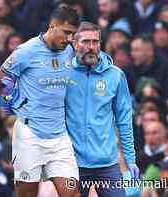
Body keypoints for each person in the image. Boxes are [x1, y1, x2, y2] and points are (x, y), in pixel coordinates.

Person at [0, 6, 80, 197]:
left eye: (73, 34)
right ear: (52, 26)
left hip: (59, 136)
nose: (69, 38)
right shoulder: (26, 51)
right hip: (29, 135)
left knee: (72, 193)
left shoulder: (70, 52)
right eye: (66, 32)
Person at [65, 22, 138, 197]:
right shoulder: (63, 73)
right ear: (74, 44)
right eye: (85, 42)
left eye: (95, 42)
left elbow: (124, 120)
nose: (91, 47)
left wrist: (130, 159)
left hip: (107, 163)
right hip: (72, 162)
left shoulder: (116, 75)